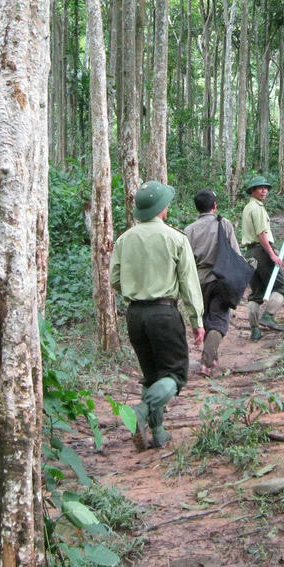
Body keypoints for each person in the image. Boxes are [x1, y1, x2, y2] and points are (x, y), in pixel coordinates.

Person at [109, 181, 205, 450]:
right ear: (162, 208)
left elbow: (115, 279)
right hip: (164, 313)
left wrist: (136, 287)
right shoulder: (175, 239)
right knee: (174, 375)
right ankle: (139, 413)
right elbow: (188, 284)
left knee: (152, 377)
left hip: (135, 315)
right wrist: (197, 321)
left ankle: (159, 433)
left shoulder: (124, 239)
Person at [183, 188, 244, 374]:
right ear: (214, 206)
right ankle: (206, 363)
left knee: (207, 319)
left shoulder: (189, 230)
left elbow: (186, 261)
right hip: (221, 279)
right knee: (218, 321)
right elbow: (236, 253)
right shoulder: (224, 224)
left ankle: (212, 357)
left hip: (198, 281)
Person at [239, 173, 284, 341]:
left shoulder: (247, 208)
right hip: (261, 251)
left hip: (249, 254)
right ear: (252, 191)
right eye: (260, 188)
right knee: (279, 288)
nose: (264, 191)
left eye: (266, 188)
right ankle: (268, 316)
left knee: (257, 293)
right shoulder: (257, 208)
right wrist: (272, 255)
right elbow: (261, 234)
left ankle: (255, 330)